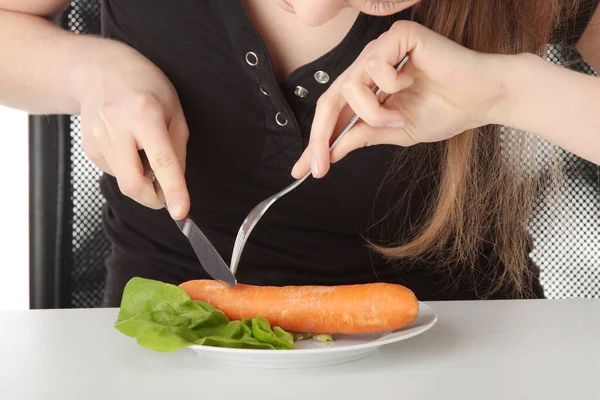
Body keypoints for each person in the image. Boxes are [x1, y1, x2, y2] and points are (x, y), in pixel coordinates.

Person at [0, 0, 598, 306]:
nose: (308, 8)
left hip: (461, 348)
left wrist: (513, 89)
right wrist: (89, 70)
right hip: (174, 343)